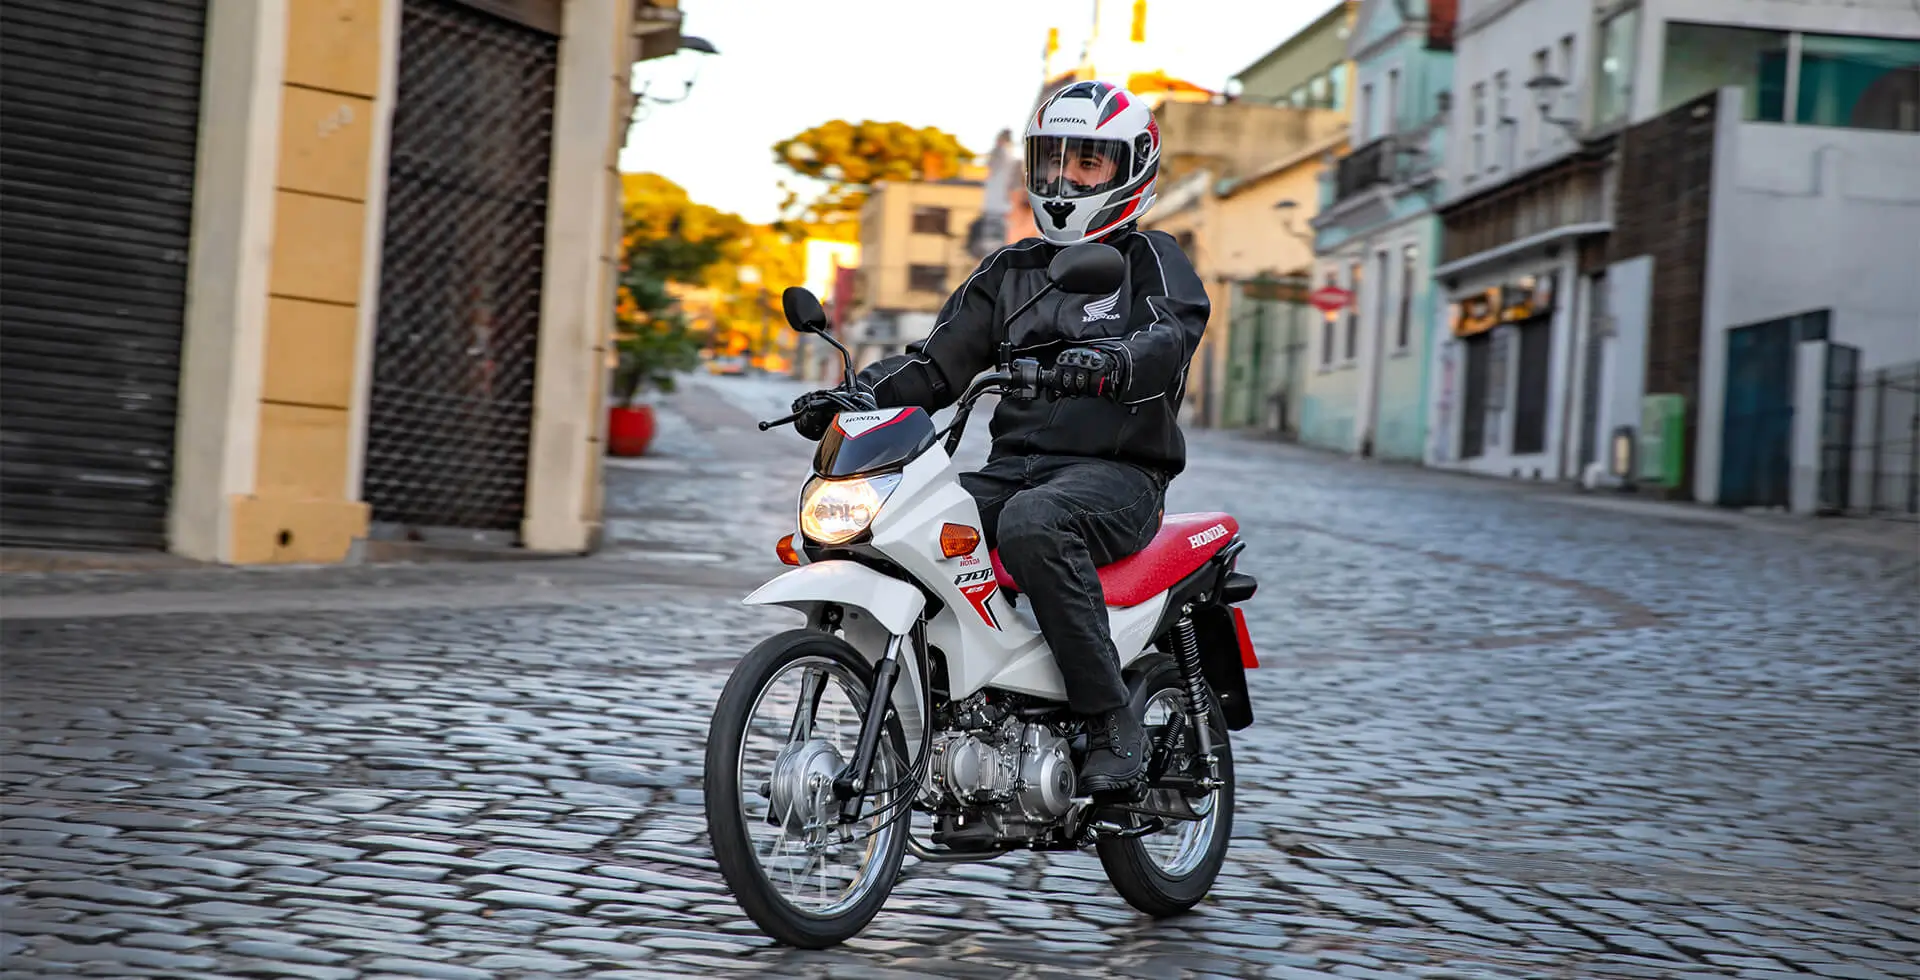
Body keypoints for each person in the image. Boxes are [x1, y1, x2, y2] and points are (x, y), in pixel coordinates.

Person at [789, 81, 1209, 798]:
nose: (1066, 179)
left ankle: (1111, 719)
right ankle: (956, 704)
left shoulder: (1152, 260)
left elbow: (1169, 335)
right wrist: (855, 396)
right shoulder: (1010, 270)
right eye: (1053, 161)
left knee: (1032, 524)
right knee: (901, 521)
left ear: (1132, 167)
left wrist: (1114, 361)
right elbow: (935, 365)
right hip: (1014, 468)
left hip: (1118, 478)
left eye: (1088, 164)